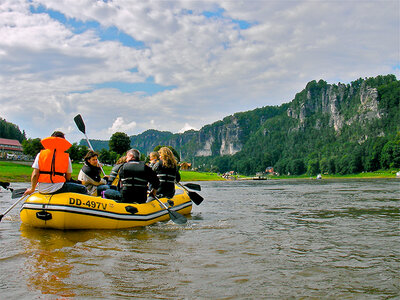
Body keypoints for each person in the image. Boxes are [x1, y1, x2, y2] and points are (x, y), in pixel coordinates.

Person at [24, 131, 87, 195]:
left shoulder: (40, 154)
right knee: (83, 188)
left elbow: (35, 174)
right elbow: (68, 177)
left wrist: (32, 189)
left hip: (42, 188)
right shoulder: (66, 157)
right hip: (59, 187)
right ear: (63, 142)